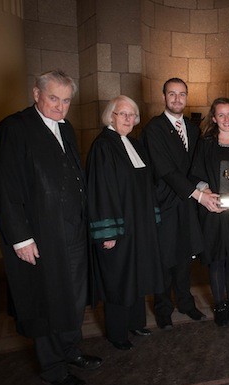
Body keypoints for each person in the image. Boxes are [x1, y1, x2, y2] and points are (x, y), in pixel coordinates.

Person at [0, 70, 102, 385]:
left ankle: (70, 350)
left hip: (73, 232)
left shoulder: (66, 129)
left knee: (74, 297)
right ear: (36, 94)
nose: (60, 107)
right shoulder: (15, 128)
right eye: (54, 98)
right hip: (41, 235)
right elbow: (5, 188)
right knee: (48, 299)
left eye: (66, 100)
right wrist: (20, 238)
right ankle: (54, 368)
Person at [86, 95, 163, 350]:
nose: (129, 119)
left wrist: (153, 221)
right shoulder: (103, 146)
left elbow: (147, 186)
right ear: (111, 115)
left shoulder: (135, 144)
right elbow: (101, 191)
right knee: (119, 278)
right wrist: (108, 232)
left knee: (137, 273)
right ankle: (117, 333)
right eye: (123, 114)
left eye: (132, 115)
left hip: (139, 228)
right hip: (119, 229)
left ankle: (136, 322)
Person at [141, 78, 206, 330]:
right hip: (166, 204)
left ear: (187, 97)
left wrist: (201, 187)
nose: (177, 99)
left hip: (187, 204)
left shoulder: (192, 129)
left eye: (182, 94)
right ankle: (163, 309)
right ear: (164, 96)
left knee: (185, 258)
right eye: (172, 94)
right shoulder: (153, 129)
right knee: (165, 259)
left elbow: (197, 165)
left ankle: (186, 304)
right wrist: (197, 193)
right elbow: (165, 170)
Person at [190, 98, 229, 327]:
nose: (226, 119)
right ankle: (219, 304)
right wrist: (205, 191)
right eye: (221, 115)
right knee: (217, 259)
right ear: (214, 118)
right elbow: (194, 174)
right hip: (214, 212)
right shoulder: (205, 143)